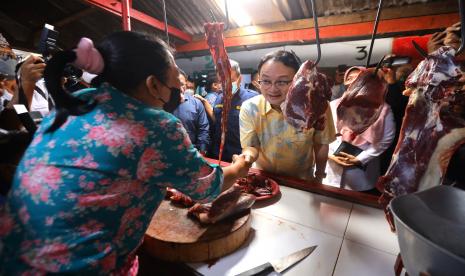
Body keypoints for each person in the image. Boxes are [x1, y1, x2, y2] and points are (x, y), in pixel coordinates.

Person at [0, 32, 253, 275]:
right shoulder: (157, 125)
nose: (180, 87)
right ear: (153, 84)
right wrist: (241, 166)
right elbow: (207, 189)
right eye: (176, 77)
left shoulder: (78, 101)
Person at [240, 50, 336, 182]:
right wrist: (247, 157)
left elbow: (321, 144)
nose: (272, 89)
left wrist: (319, 176)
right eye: (266, 81)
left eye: (282, 82)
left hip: (301, 180)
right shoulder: (250, 107)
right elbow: (251, 145)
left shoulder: (316, 106)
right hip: (264, 179)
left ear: (298, 80)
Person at [325, 67, 395, 191]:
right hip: (330, 172)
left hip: (361, 176)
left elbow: (386, 139)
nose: (352, 81)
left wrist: (361, 159)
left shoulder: (383, 109)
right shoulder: (333, 105)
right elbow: (324, 133)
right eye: (349, 78)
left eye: (357, 78)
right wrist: (330, 154)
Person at [208, 59, 259, 162]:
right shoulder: (219, 98)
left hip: (242, 156)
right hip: (218, 154)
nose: (226, 84)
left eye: (230, 80)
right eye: (222, 81)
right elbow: (216, 122)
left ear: (239, 79)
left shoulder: (253, 99)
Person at [173, 70, 210, 155]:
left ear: (186, 84)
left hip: (191, 151)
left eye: (182, 84)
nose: (180, 88)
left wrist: (202, 150)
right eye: (176, 84)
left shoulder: (196, 103)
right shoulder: (161, 103)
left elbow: (203, 128)